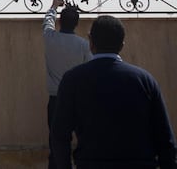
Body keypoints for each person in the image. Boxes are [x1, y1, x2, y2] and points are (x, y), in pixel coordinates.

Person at [52, 15, 177, 168]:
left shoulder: (73, 80)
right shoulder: (144, 80)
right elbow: (165, 138)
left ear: (90, 42)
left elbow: (59, 135)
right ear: (122, 44)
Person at [43, 0, 91, 169]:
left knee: (57, 141)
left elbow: (47, 22)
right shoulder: (84, 45)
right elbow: (90, 70)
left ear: (60, 22)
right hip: (79, 99)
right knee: (85, 138)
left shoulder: (50, 38)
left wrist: (53, 7)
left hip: (56, 99)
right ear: (76, 24)